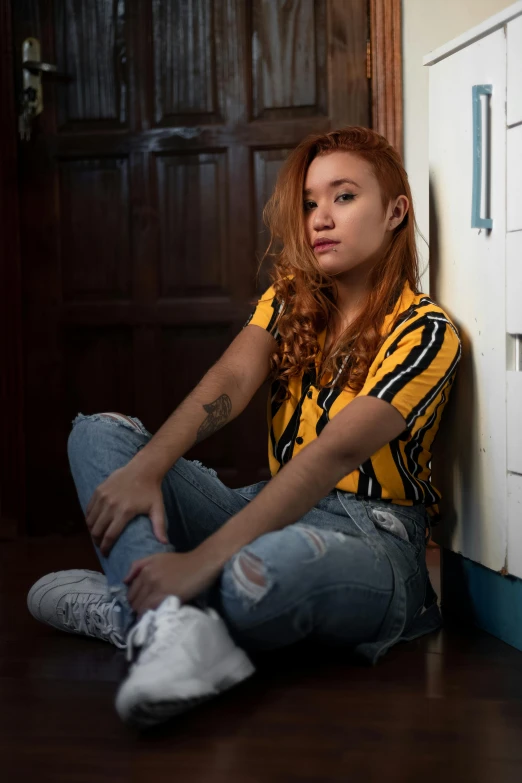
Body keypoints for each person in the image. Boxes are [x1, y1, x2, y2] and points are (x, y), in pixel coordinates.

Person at [27, 126, 461, 729]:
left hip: (373, 537)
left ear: (395, 211)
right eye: (310, 202)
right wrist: (147, 468)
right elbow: (230, 381)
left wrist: (198, 561)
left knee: (262, 573)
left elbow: (333, 453)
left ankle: (133, 611)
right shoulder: (289, 304)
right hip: (263, 508)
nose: (320, 218)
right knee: (98, 434)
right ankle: (163, 624)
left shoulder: (427, 331)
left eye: (343, 196)